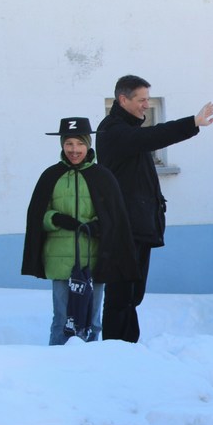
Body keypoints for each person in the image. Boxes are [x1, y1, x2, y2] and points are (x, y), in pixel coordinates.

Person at [97, 74, 213, 343]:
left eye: (148, 99)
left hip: (139, 225)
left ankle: (129, 347)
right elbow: (153, 136)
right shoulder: (114, 131)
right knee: (121, 295)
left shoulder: (129, 130)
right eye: (141, 100)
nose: (146, 105)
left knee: (132, 295)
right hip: (124, 228)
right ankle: (116, 348)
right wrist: (192, 122)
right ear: (123, 99)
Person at [21, 118, 139, 344]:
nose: (74, 150)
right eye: (69, 144)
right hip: (59, 259)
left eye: (79, 144)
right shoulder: (50, 176)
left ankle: (90, 359)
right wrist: (55, 218)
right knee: (61, 319)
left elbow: (115, 217)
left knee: (92, 320)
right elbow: (37, 216)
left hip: (94, 259)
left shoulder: (103, 176)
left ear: (88, 144)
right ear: (62, 145)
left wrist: (98, 225)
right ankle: (57, 358)